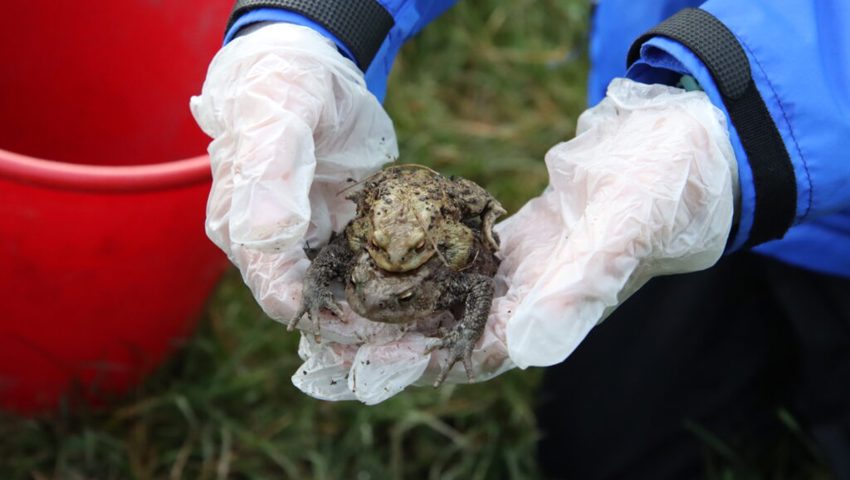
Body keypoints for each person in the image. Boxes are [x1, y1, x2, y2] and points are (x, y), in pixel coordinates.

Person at [190, 1, 850, 478]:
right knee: (598, 453)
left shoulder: (444, 250)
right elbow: (351, 250)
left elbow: (478, 262)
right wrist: (320, 16)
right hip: (654, 152)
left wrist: (749, 120)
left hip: (750, 155)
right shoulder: (378, 244)